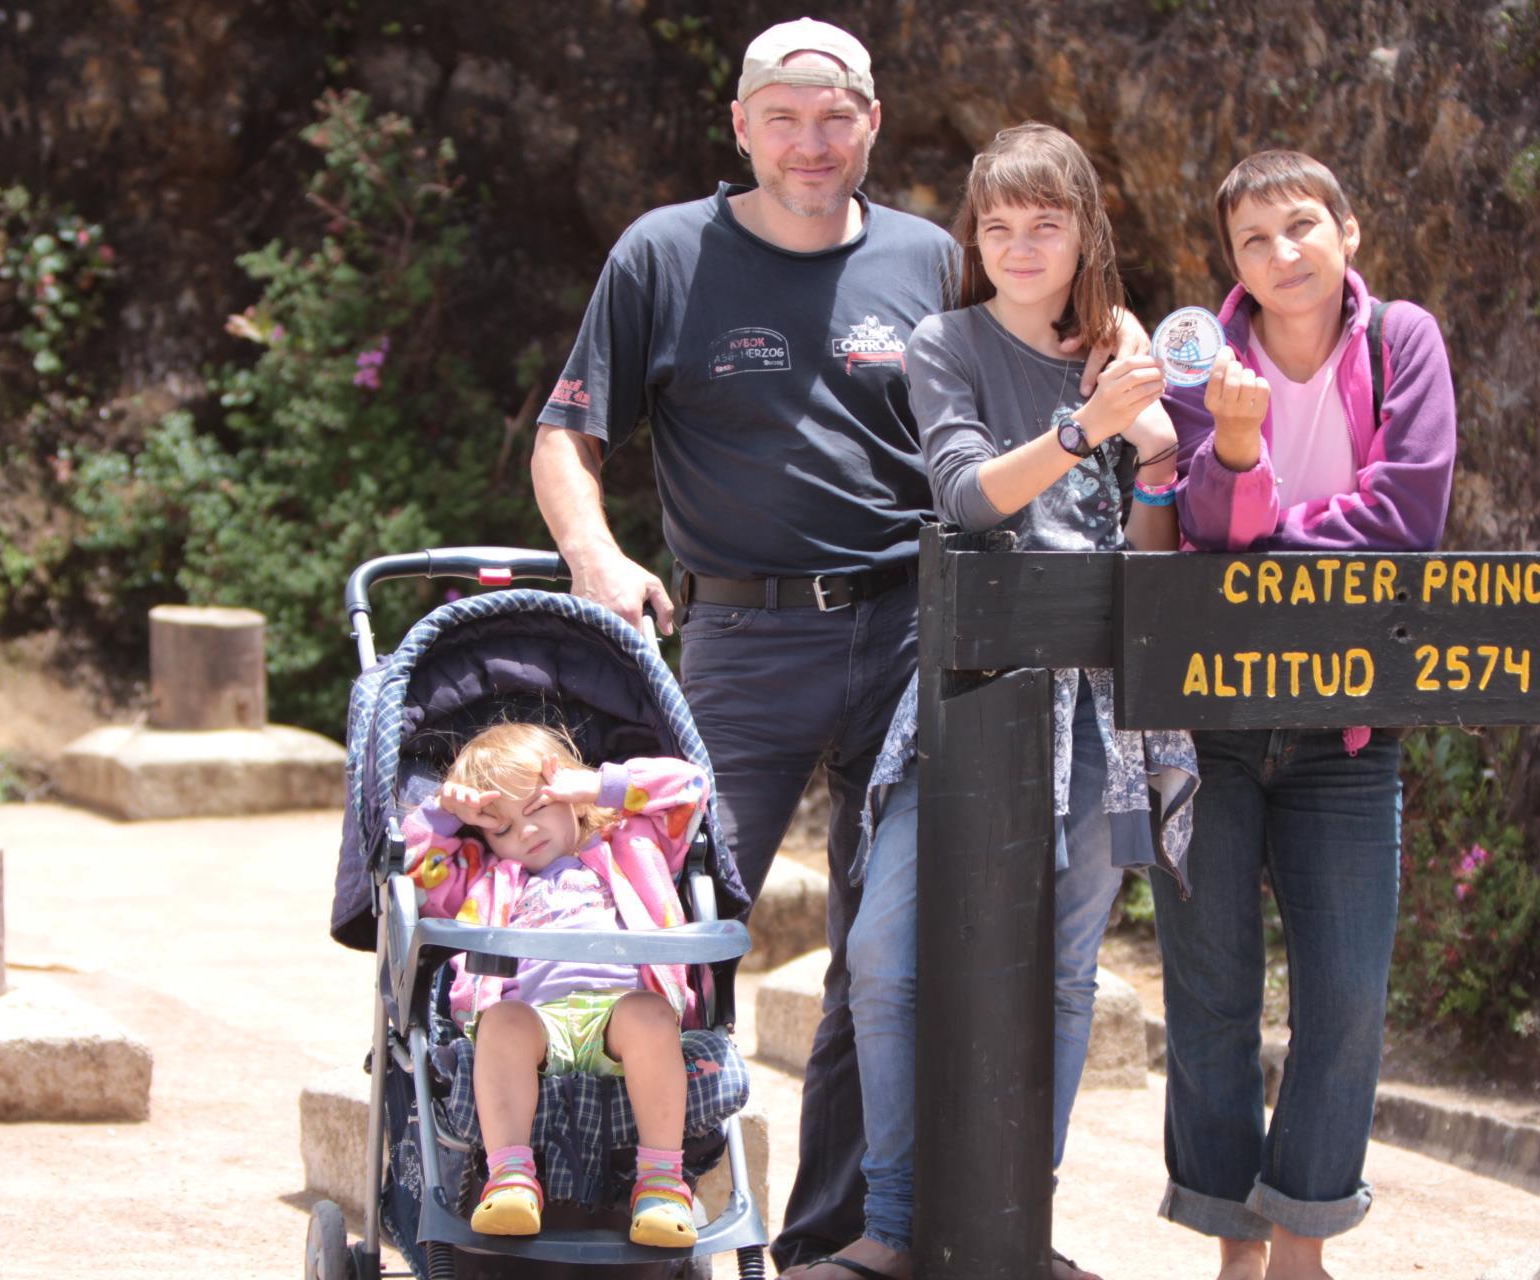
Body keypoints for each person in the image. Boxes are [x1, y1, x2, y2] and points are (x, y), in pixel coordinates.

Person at [528, 19, 1149, 1268]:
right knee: (681, 918)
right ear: (742, 126)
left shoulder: (931, 256)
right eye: (783, 115)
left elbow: (1039, 353)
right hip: (743, 641)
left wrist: (1132, 362)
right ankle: (618, 1203)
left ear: (871, 123)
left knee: (892, 951)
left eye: (836, 116)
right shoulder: (663, 253)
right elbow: (567, 434)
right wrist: (598, 557)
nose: (810, 142)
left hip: (919, 636)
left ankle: (841, 1237)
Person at [788, 123, 1199, 1280]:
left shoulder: (1120, 355)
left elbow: (1152, 554)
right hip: (967, 696)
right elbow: (969, 497)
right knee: (885, 953)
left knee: (1064, 972)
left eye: (1046, 223)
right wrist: (1088, 428)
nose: (1020, 246)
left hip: (1096, 701)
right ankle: (898, 1221)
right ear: (977, 238)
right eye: (999, 226)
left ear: (1085, 234)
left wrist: (1157, 459)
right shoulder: (945, 341)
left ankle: (1022, 1219)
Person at [1153, 150, 1457, 1280]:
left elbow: (1409, 511)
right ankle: (1237, 1249)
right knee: (1213, 993)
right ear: (1229, 263)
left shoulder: (1400, 342)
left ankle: (1302, 1246)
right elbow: (1194, 524)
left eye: (1301, 228)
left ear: (1348, 231)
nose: (1283, 255)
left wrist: (1259, 527)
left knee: (1346, 996)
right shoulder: (1197, 356)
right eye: (1254, 240)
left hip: (1347, 729)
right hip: (1211, 723)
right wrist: (1233, 454)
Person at [401, 723, 710, 1247]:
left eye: (538, 806)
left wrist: (598, 786)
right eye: (501, 827)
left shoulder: (633, 842)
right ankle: (512, 1180)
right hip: (536, 1022)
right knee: (500, 1023)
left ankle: (661, 1183)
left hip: (619, 1015)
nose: (524, 834)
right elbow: (415, 872)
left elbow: (691, 787)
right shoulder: (489, 877)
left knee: (651, 1015)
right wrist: (446, 815)